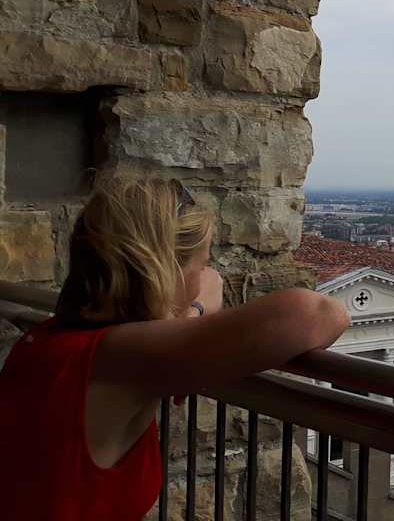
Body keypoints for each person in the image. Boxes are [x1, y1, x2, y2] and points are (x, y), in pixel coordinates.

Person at [0, 177, 350, 520]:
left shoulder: (49, 340)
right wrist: (192, 315)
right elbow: (318, 313)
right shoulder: (119, 357)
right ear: (165, 271)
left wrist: (186, 318)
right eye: (200, 264)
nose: (206, 275)